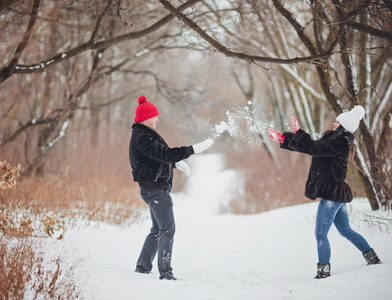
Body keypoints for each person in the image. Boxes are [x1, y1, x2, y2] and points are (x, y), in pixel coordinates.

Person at [278, 105, 381, 279]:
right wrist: (287, 140)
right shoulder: (332, 138)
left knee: (320, 234)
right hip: (335, 194)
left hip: (332, 194)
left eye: (338, 121)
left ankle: (323, 272)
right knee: (346, 231)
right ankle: (372, 258)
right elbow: (314, 148)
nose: (334, 123)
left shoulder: (342, 141)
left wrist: (299, 134)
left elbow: (316, 149)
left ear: (344, 124)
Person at [129, 95, 213, 280]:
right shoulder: (142, 137)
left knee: (158, 229)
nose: (158, 119)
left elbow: (155, 159)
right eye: (155, 116)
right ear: (146, 118)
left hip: (155, 188)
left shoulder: (145, 135)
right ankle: (166, 273)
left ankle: (143, 266)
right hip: (155, 190)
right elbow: (164, 154)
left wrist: (175, 164)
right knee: (167, 229)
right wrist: (192, 149)